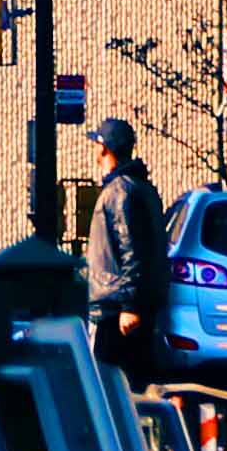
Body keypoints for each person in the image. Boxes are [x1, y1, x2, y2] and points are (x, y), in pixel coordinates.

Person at [82, 117, 173, 381]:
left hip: (115, 310)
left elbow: (131, 248)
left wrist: (130, 305)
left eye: (96, 144)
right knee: (135, 384)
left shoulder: (120, 191)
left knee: (109, 387)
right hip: (126, 306)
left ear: (104, 148)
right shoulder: (140, 188)